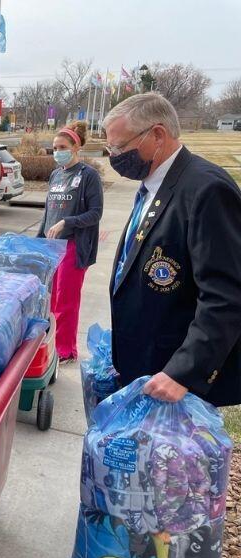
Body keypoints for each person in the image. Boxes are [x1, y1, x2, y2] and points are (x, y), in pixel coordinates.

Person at [104, 92, 241, 406]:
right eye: (110, 148)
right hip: (147, 368)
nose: (114, 156)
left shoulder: (206, 189)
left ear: (157, 134)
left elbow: (226, 295)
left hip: (175, 383)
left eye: (120, 147)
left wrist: (184, 371)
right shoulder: (153, 185)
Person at [38, 120, 103, 362]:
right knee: (51, 299)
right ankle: (52, 344)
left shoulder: (88, 176)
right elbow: (48, 212)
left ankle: (65, 350)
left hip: (74, 246)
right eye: (54, 148)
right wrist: (37, 239)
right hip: (51, 246)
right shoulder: (56, 175)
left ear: (76, 147)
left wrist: (68, 222)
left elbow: (95, 213)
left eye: (62, 147)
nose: (57, 152)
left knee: (66, 301)